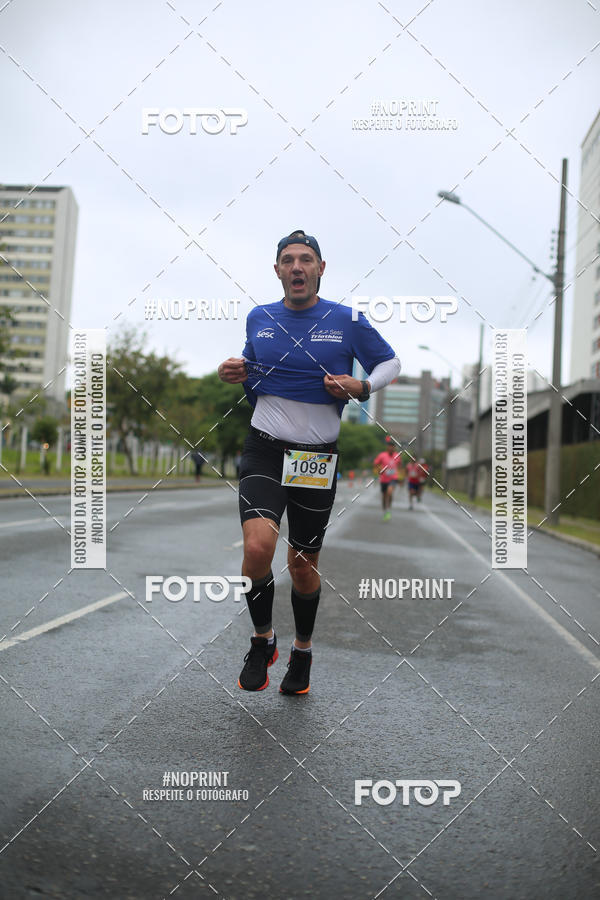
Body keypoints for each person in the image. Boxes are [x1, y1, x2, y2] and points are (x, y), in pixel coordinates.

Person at [218, 229, 400, 695]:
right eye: (288, 260)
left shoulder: (347, 320)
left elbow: (390, 364)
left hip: (314, 458)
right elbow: (252, 371)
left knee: (302, 563)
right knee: (257, 549)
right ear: (277, 270)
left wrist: (362, 388)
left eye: (306, 260)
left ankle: (301, 650)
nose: (297, 267)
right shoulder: (259, 318)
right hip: (264, 447)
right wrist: (234, 370)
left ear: (321, 268)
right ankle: (263, 640)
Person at [373, 437, 402, 521]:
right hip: (384, 479)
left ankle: (388, 509)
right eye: (389, 447)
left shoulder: (397, 456)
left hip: (393, 478)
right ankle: (385, 510)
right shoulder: (382, 455)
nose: (391, 448)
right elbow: (375, 464)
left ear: (394, 448)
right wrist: (379, 469)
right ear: (387, 447)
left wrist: (400, 478)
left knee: (389, 492)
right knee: (384, 496)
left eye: (393, 447)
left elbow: (400, 466)